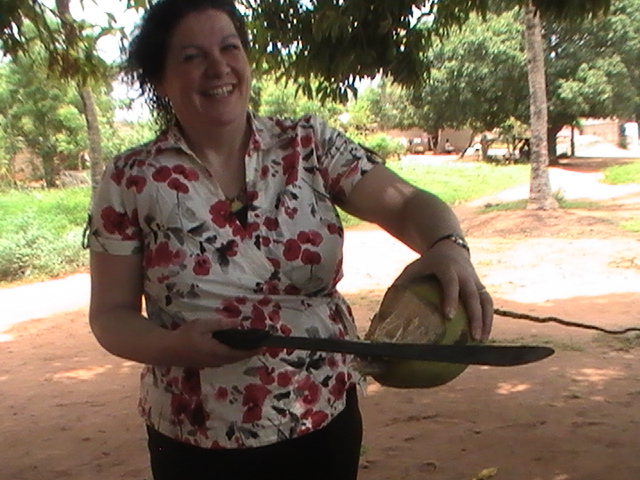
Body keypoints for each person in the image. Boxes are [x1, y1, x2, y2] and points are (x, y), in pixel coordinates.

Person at [86, 0, 493, 479]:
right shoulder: (131, 179)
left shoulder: (307, 144)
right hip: (196, 434)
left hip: (322, 417)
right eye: (192, 56)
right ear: (159, 78)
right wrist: (173, 347)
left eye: (229, 47)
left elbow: (405, 203)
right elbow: (110, 317)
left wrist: (447, 244)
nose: (218, 67)